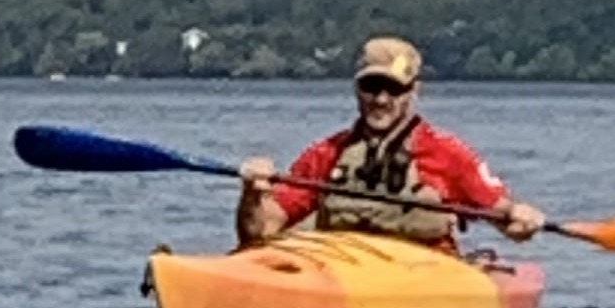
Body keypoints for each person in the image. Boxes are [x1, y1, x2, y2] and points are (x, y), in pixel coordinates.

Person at [234, 36, 546, 252]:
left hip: (423, 272)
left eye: (393, 89)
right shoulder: (327, 154)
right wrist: (252, 194)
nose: (381, 100)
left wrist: (522, 216)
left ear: (413, 91)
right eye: (372, 87)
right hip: (340, 263)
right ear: (357, 89)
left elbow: (507, 220)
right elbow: (261, 231)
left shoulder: (447, 154)